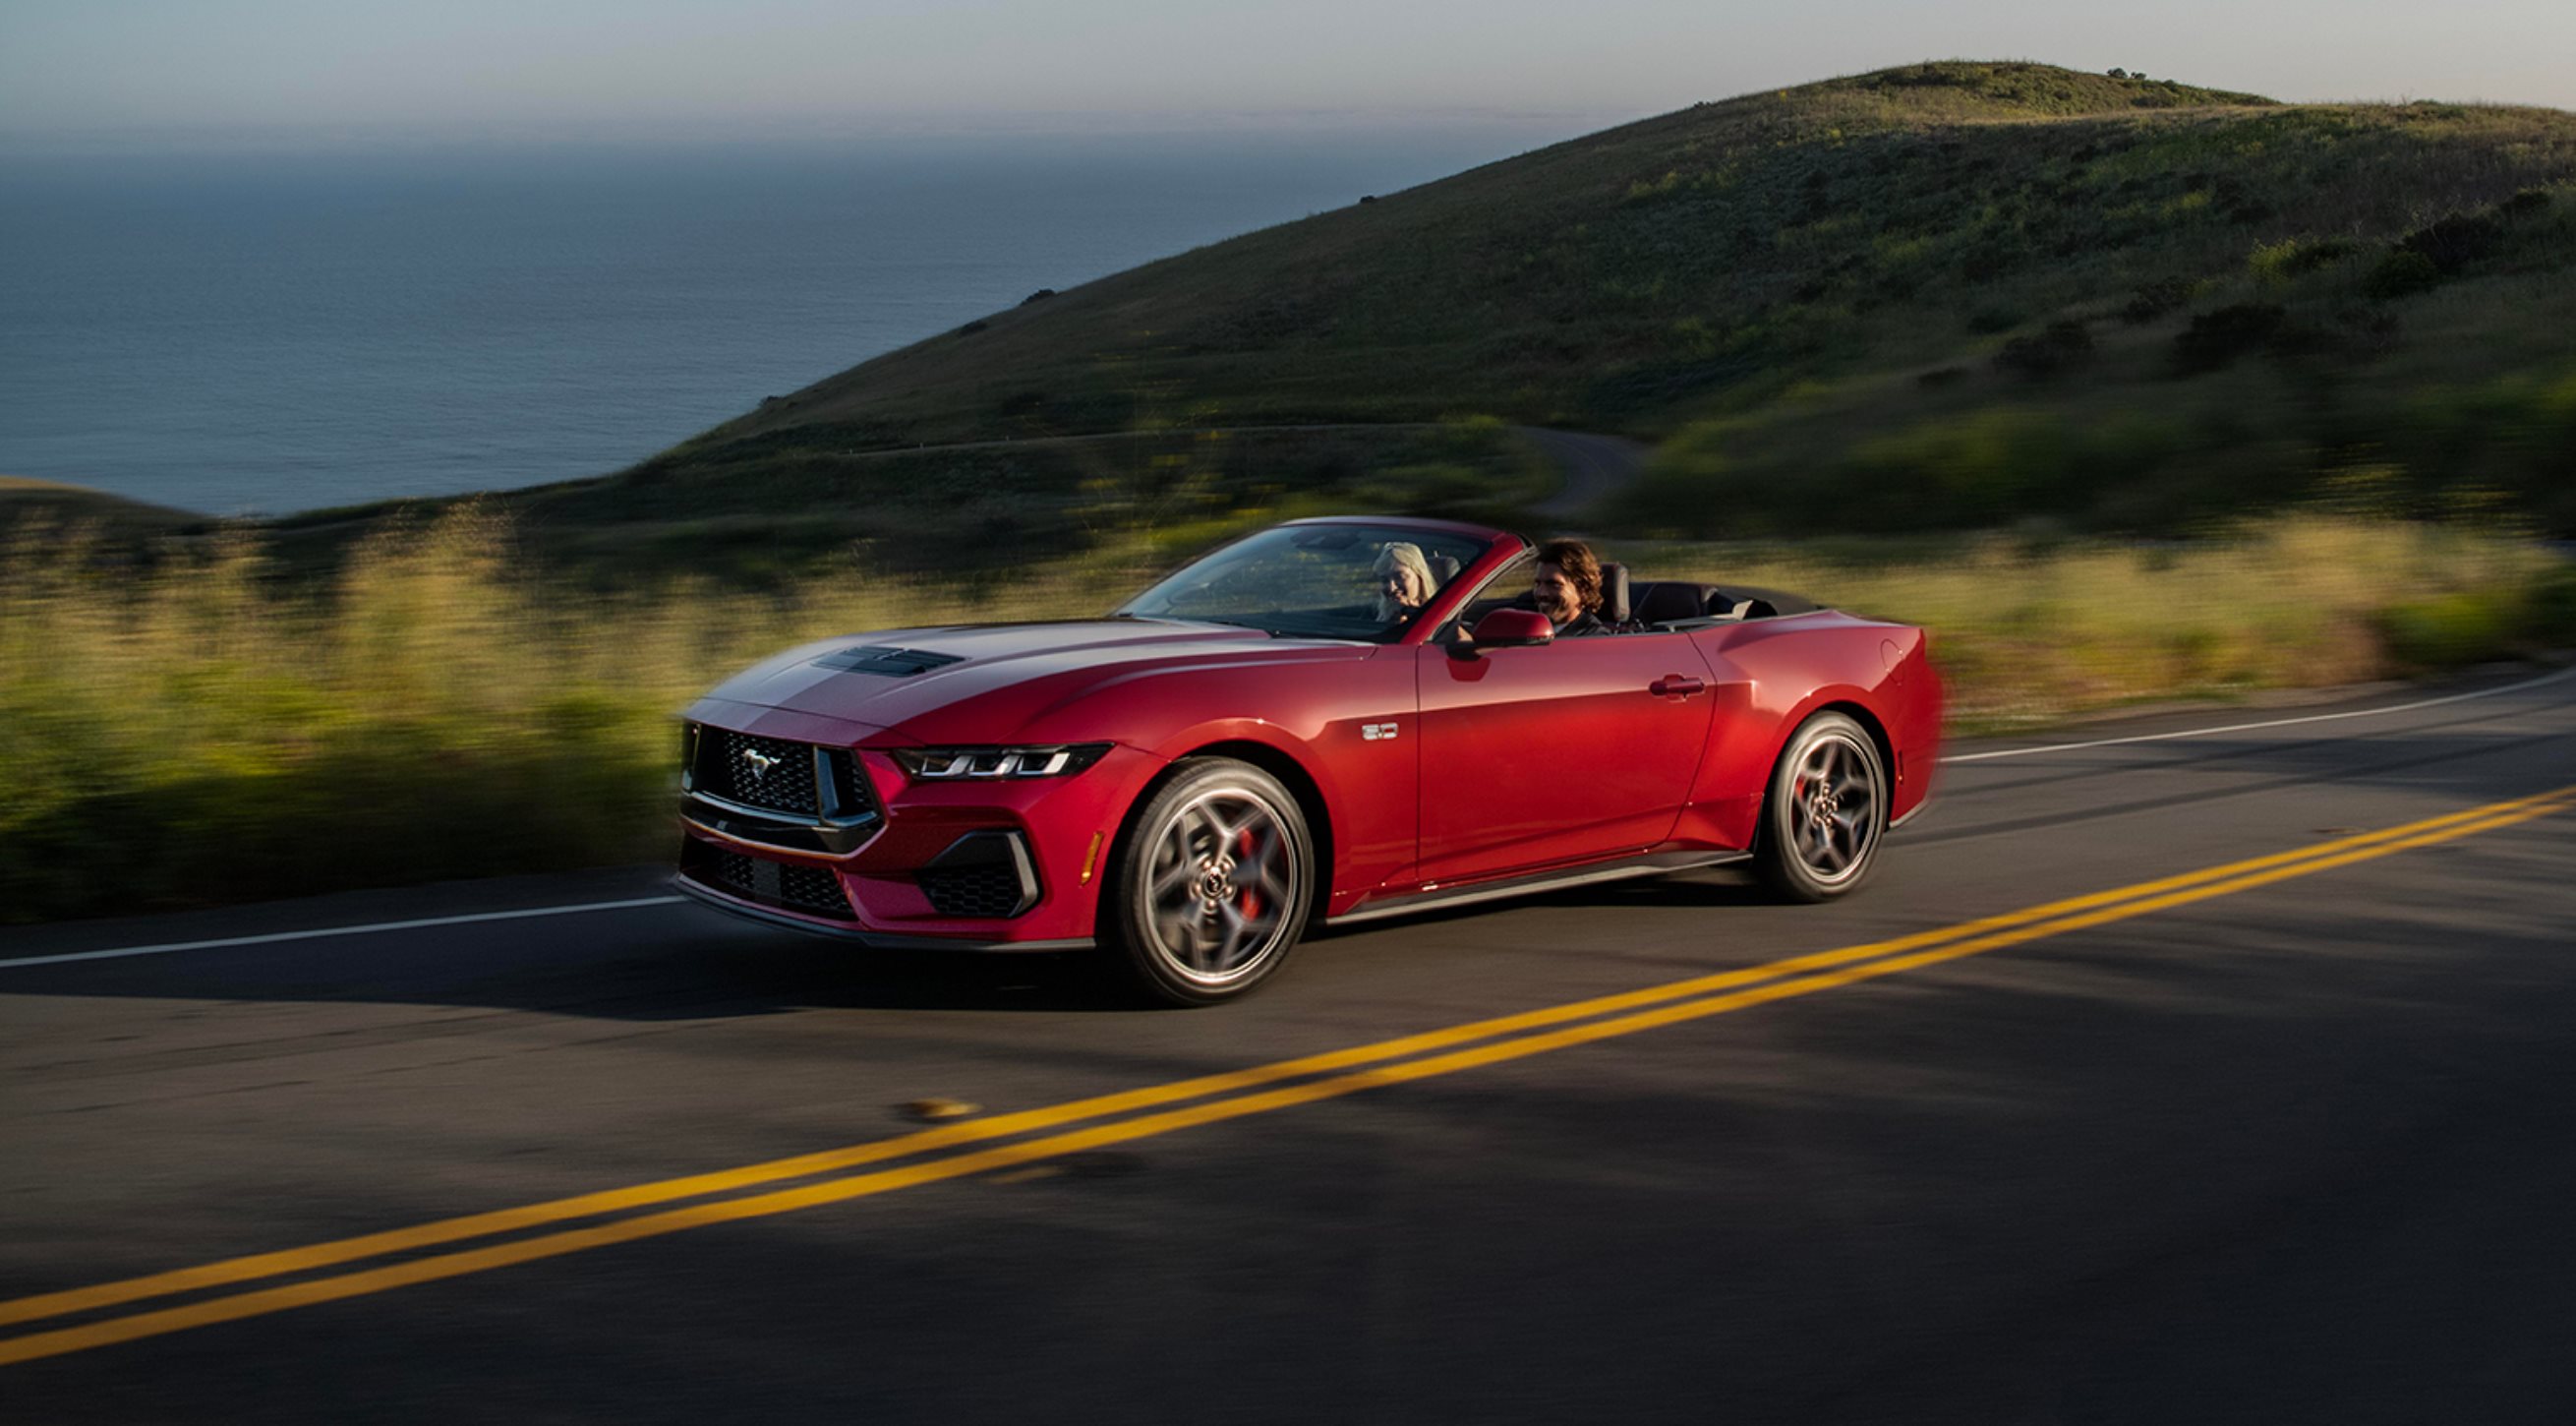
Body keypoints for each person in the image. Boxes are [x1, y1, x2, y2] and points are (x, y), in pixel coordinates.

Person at [1530, 538, 1609, 636]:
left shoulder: (1593, 640)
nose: (1541, 593)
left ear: (1583, 589)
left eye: (1554, 584)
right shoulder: (1529, 627)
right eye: (1538, 583)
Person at [1371, 541, 1435, 624]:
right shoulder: (1372, 617)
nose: (1392, 588)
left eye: (1400, 577)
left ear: (1420, 576)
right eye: (1385, 580)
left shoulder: (1441, 619)